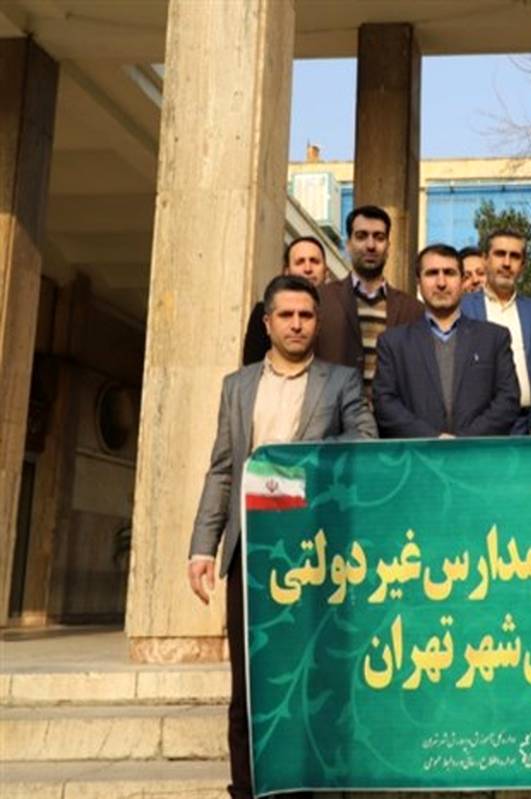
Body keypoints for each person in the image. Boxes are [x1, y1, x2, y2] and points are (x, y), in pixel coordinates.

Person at [188, 275, 376, 799]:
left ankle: (306, 787)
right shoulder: (237, 385)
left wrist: (294, 462)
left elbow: (365, 441)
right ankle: (248, 788)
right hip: (251, 552)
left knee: (312, 679)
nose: (297, 325)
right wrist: (203, 547)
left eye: (306, 316)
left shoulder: (341, 382)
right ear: (268, 322)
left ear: (317, 322)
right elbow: (222, 470)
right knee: (249, 685)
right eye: (287, 315)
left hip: (315, 553)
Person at [374, 244, 520, 438]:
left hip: (478, 452)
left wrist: (462, 442)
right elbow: (385, 404)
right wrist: (433, 439)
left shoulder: (494, 338)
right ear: (418, 283)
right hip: (417, 453)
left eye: (449, 273)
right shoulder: (393, 343)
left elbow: (507, 401)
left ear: (462, 281)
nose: (441, 283)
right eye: (432, 273)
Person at [314, 205, 424, 399]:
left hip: (393, 416)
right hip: (334, 413)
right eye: (361, 236)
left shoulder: (412, 310)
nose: (371, 245)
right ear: (348, 244)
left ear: (388, 246)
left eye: (379, 237)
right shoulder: (321, 300)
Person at [460, 229, 531, 434]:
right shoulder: (462, 309)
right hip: (476, 429)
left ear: (523, 265)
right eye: (499, 254)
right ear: (485, 259)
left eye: (514, 256)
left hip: (525, 427)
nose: (506, 263)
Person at [242, 237, 329, 365]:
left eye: (314, 261)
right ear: (286, 271)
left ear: (326, 272)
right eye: (300, 262)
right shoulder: (264, 310)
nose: (308, 269)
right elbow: (252, 366)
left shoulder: (341, 311)